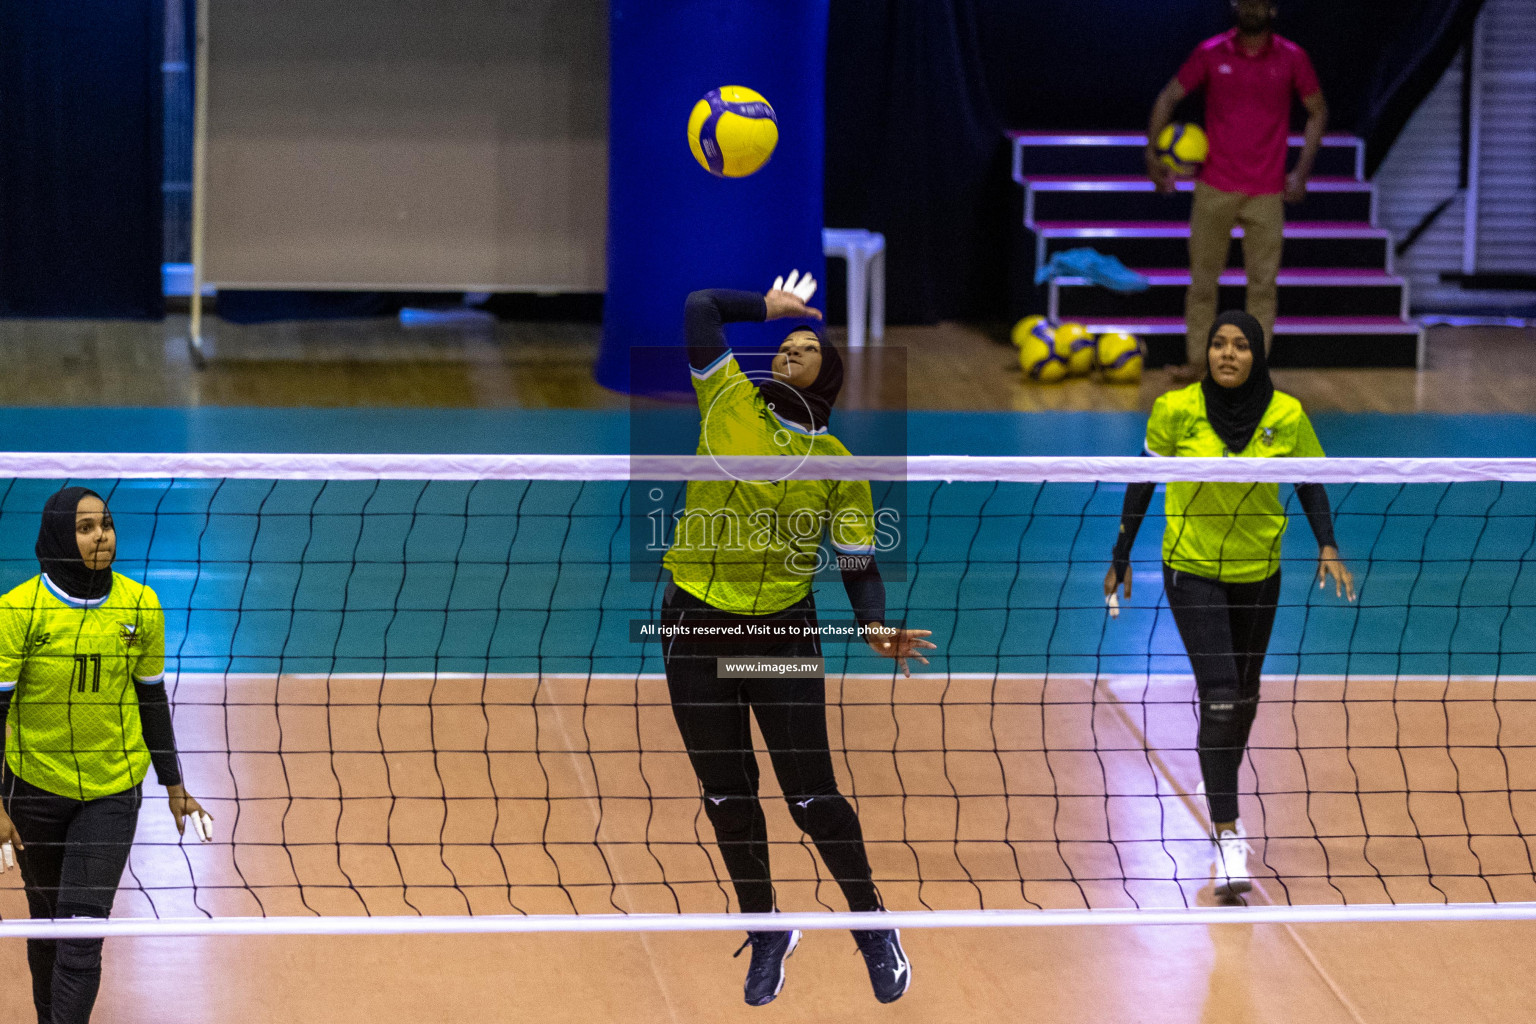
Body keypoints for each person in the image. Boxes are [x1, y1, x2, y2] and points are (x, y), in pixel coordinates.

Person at [661, 271, 934, 1006]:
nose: (788, 350)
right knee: (726, 796)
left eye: (805, 346)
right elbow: (699, 307)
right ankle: (767, 926)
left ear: (830, 374)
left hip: (778, 633)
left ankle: (874, 924)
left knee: (810, 795)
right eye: (784, 344)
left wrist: (874, 625)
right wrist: (769, 307)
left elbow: (857, 563)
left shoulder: (841, 465)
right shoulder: (727, 397)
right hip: (694, 626)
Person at [1102, 311, 1355, 895]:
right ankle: (1229, 834)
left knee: (1243, 694)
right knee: (1220, 698)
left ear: (1257, 354)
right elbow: (1141, 481)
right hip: (1190, 568)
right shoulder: (1175, 410)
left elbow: (1311, 480)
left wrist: (1327, 544)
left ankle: (1220, 790)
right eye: (1218, 344)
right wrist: (1121, 553)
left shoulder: (1286, 414)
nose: (1228, 354)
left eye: (1240, 346)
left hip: (1259, 571)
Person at [0, 487, 212, 1024]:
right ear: (58, 537)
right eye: (86, 527)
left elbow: (150, 696)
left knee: (81, 932)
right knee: (46, 922)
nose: (102, 536)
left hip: (112, 790)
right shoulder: (16, 611)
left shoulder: (140, 604)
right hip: (34, 788)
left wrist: (174, 784)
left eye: (107, 525)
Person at [1146, 0, 1329, 382]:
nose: (1251, 6)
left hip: (1266, 190)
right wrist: (1152, 154)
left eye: (1259, 1)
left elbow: (1317, 110)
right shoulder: (1211, 52)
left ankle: (1252, 369)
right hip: (1215, 185)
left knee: (1262, 286)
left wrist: (1302, 171)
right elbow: (1168, 96)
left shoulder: (1293, 58)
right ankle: (1198, 363)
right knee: (1202, 281)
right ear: (1234, 5)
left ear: (1273, 9)